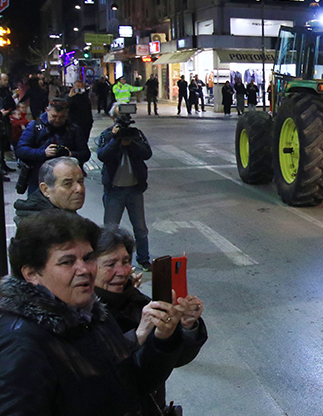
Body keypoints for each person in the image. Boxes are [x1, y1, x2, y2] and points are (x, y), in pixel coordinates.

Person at [0, 210, 184, 416]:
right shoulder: (20, 344)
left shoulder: (94, 315)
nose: (85, 269)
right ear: (32, 274)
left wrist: (162, 340)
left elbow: (129, 386)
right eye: (67, 262)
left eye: (88, 258)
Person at [94, 226, 207, 412]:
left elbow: (174, 360)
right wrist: (138, 334)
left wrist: (186, 327)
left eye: (126, 261)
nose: (122, 271)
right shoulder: (79, 313)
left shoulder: (137, 301)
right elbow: (96, 374)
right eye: (110, 264)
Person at [98, 103, 154, 271]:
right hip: (114, 190)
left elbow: (147, 153)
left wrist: (132, 143)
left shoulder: (136, 134)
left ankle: (143, 259)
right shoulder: (108, 135)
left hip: (134, 189)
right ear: (112, 118)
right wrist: (115, 140)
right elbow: (102, 155)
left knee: (141, 228)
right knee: (110, 228)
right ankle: (109, 259)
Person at [15, 99, 91, 195]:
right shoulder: (35, 126)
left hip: (65, 181)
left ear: (67, 113)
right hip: (38, 179)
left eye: (62, 117)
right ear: (47, 110)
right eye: (54, 116)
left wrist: (70, 154)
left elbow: (85, 153)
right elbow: (20, 150)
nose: (57, 120)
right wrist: (43, 153)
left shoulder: (74, 130)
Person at [13, 156, 86, 223]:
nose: (79, 189)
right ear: (45, 189)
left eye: (80, 182)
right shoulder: (42, 229)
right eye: (67, 184)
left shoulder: (64, 216)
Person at [0, 73, 16, 174]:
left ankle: (3, 164)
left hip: (5, 119)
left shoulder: (6, 90)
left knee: (4, 143)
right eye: (4, 80)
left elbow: (10, 102)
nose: (6, 82)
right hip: (1, 119)